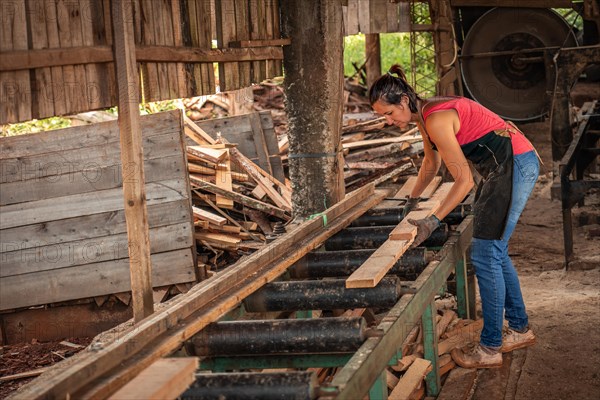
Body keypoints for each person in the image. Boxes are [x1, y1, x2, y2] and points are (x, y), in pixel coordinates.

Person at [369, 65, 540, 369]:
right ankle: (519, 329)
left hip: (514, 164)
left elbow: (464, 183)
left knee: (486, 253)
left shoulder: (435, 119)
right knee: (495, 251)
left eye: (388, 113)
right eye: (382, 116)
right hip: (506, 165)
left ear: (404, 102)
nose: (388, 121)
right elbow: (431, 165)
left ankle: (490, 349)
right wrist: (410, 202)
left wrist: (432, 221)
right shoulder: (425, 116)